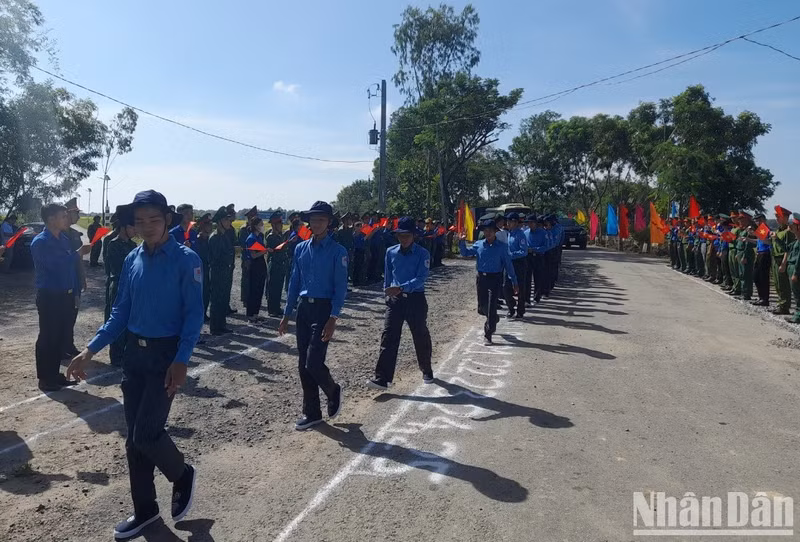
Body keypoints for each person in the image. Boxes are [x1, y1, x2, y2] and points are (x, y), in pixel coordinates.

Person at [68, 190, 202, 539]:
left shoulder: (186, 259)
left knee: (146, 434)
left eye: (154, 219)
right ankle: (145, 511)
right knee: (134, 441)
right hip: (135, 357)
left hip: (165, 357)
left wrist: (182, 359)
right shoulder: (132, 259)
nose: (147, 226)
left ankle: (182, 473)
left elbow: (193, 315)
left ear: (167, 220)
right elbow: (120, 312)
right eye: (140, 221)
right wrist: (90, 350)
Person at [279, 201, 346, 431]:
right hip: (304, 309)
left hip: (324, 309)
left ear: (329, 223)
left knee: (313, 361)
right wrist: (287, 313)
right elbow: (295, 282)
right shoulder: (301, 249)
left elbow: (340, 287)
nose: (316, 224)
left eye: (321, 220)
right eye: (313, 219)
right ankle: (312, 413)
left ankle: (333, 390)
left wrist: (333, 317)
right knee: (303, 364)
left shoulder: (338, 251)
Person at [366, 217, 433, 390]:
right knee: (388, 336)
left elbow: (421, 278)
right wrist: (387, 293)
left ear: (413, 235)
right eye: (400, 235)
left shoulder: (423, 254)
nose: (403, 239)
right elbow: (388, 275)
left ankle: (426, 369)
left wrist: (402, 288)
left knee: (420, 334)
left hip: (415, 299)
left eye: (407, 235)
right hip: (395, 300)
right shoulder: (391, 252)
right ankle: (382, 378)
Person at [31, 203, 92, 391]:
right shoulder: (41, 242)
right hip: (50, 296)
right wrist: (79, 253)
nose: (67, 219)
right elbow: (55, 265)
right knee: (48, 337)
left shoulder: (63, 239)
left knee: (59, 337)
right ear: (51, 219)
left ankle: (54, 374)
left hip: (65, 295)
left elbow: (69, 268)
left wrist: (74, 288)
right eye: (63, 216)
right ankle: (45, 378)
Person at [459, 219, 517, 346]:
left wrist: (514, 281)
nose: (488, 233)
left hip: (495, 279)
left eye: (490, 231)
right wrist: (462, 241)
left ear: (495, 232)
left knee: (491, 305)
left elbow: (508, 264)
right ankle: (493, 318)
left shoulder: (502, 247)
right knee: (482, 307)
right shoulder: (479, 244)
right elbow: (465, 253)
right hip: (482, 279)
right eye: (485, 231)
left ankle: (488, 333)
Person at [104, 209, 138, 367]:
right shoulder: (114, 244)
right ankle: (116, 355)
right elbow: (117, 268)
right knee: (118, 320)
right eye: (132, 227)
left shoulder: (133, 245)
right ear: (124, 228)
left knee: (130, 321)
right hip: (119, 285)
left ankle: (126, 353)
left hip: (132, 286)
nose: (135, 230)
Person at [208, 206, 236, 335]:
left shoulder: (224, 235)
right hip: (218, 272)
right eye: (226, 220)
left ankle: (221, 325)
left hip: (225, 271)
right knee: (217, 299)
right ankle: (215, 327)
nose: (228, 222)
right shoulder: (215, 237)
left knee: (223, 299)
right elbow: (215, 258)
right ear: (219, 222)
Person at [64, 197, 86, 359]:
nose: (78, 216)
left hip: (75, 280)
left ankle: (68, 345)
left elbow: (79, 259)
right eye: (76, 213)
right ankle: (60, 346)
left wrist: (82, 277)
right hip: (63, 280)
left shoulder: (74, 234)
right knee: (62, 315)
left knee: (72, 313)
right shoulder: (59, 234)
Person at [503, 212, 528, 319]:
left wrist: (511, 255)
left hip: (519, 263)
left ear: (516, 223)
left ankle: (520, 310)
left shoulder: (520, 234)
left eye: (510, 221)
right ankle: (511, 306)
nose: (508, 223)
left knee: (520, 287)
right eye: (507, 221)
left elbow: (524, 251)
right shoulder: (509, 233)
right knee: (505, 287)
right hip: (509, 263)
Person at [244, 216, 268, 323]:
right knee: (253, 290)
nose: (262, 226)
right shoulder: (251, 238)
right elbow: (253, 255)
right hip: (254, 265)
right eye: (260, 224)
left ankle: (255, 314)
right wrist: (264, 251)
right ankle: (250, 315)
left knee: (259, 290)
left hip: (261, 264)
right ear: (255, 226)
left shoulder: (259, 237)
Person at [771, 207, 794, 316]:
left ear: (785, 218)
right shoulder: (778, 231)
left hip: (782, 259)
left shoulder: (788, 232)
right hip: (775, 258)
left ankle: (784, 306)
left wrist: (784, 263)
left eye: (779, 217)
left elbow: (788, 249)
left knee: (783, 284)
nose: (777, 219)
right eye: (776, 217)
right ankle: (781, 303)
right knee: (777, 283)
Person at [265, 211, 289, 316]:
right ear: (274, 225)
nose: (281, 225)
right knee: (273, 288)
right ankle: (272, 309)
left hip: (280, 264)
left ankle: (277, 307)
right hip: (274, 263)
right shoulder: (271, 237)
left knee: (278, 287)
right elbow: (276, 250)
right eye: (279, 223)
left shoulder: (279, 235)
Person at [193, 214, 213, 321]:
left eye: (210, 224)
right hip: (199, 269)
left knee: (207, 292)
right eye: (207, 224)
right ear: (202, 225)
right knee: (200, 292)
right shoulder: (198, 239)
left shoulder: (209, 239)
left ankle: (204, 312)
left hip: (207, 267)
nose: (210, 226)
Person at [751, 212, 772, 307]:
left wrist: (756, 234)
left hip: (765, 254)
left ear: (763, 220)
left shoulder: (766, 229)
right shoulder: (760, 229)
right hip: (759, 254)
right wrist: (748, 239)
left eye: (759, 220)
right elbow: (759, 241)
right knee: (756, 277)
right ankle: (761, 297)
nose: (757, 222)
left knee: (763, 278)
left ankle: (764, 299)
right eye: (756, 221)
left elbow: (769, 242)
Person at [239, 206, 258, 306]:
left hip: (254, 257)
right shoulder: (244, 229)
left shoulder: (255, 229)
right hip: (247, 257)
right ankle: (245, 299)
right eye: (252, 217)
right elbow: (244, 245)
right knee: (246, 278)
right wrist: (247, 258)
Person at [736, 211, 756, 301]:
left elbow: (748, 244)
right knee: (741, 274)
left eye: (741, 219)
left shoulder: (749, 229)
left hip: (746, 253)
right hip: (740, 252)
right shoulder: (743, 229)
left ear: (746, 220)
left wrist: (745, 256)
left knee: (746, 274)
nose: (739, 221)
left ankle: (747, 293)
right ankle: (743, 292)